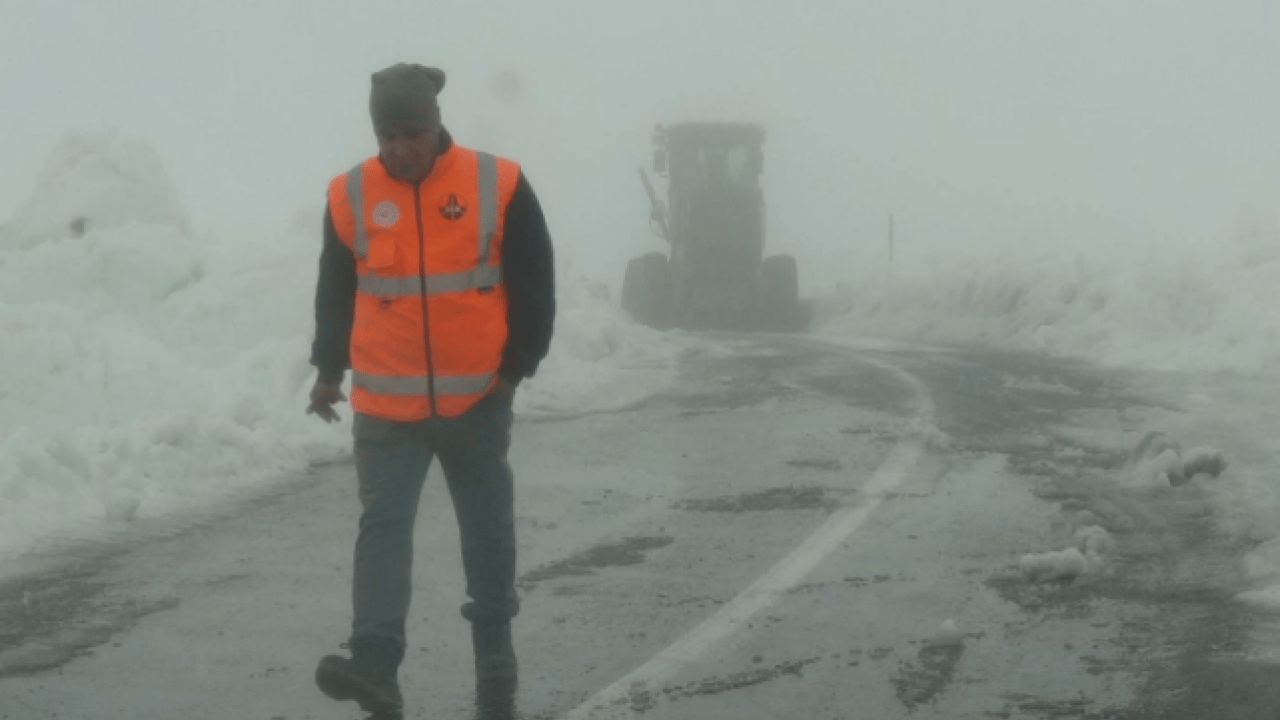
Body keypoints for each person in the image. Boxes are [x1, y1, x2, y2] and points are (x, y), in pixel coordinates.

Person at [306, 62, 555, 719]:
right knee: (382, 529)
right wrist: (328, 370)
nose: (399, 147)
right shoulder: (350, 194)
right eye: (387, 133)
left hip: (477, 402)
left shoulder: (495, 182)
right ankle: (375, 665)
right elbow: (336, 289)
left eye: (411, 131)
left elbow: (534, 282)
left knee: (486, 528)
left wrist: (513, 372)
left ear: (437, 125)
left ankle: (495, 652)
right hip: (388, 410)